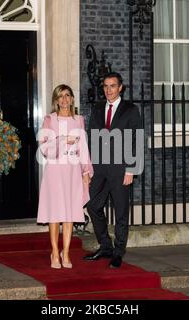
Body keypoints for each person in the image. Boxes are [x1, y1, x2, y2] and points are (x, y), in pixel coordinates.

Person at [83, 72, 142, 268]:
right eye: (106, 86)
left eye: (112, 86)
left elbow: (137, 140)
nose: (108, 90)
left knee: (121, 211)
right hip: (99, 168)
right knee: (91, 204)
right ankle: (105, 246)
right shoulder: (98, 108)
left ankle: (118, 252)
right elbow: (91, 136)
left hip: (121, 168)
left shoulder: (130, 110)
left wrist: (131, 170)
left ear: (121, 87)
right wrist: (88, 167)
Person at [37, 84, 93, 269]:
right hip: (54, 170)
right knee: (55, 214)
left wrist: (85, 172)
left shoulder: (79, 120)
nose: (64, 99)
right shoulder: (49, 120)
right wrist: (63, 140)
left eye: (67, 95)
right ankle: (54, 252)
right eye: (60, 96)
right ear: (56, 100)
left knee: (69, 213)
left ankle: (66, 253)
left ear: (71, 98)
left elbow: (83, 147)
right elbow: (44, 149)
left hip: (72, 170)